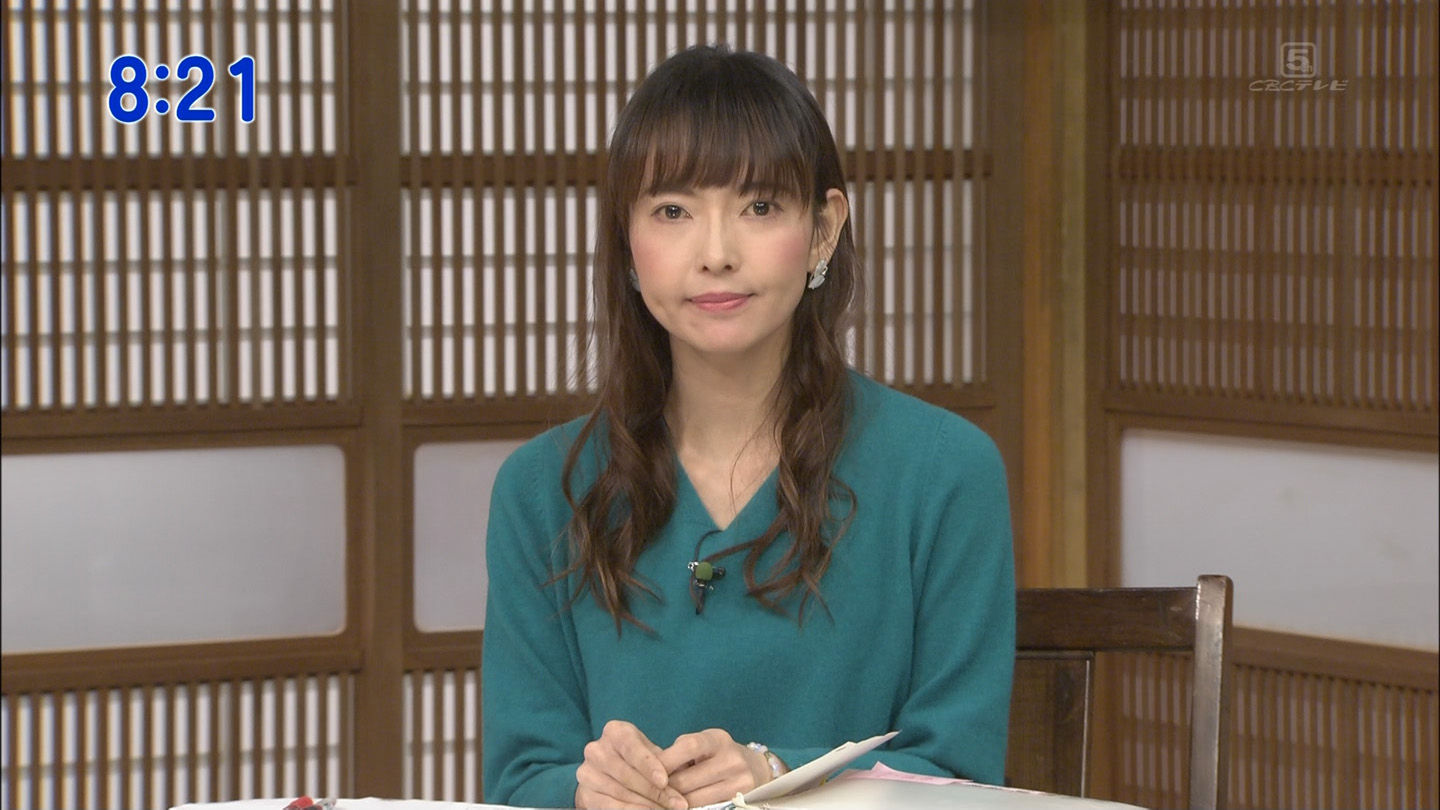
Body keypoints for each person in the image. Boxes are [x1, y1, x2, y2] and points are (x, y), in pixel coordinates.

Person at [481, 44, 1015, 810]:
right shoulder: (540, 491)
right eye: (672, 211)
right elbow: (519, 780)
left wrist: (776, 774)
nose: (716, 254)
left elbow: (959, 772)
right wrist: (588, 790)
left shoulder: (946, 472)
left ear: (824, 231)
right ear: (627, 242)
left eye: (759, 207)